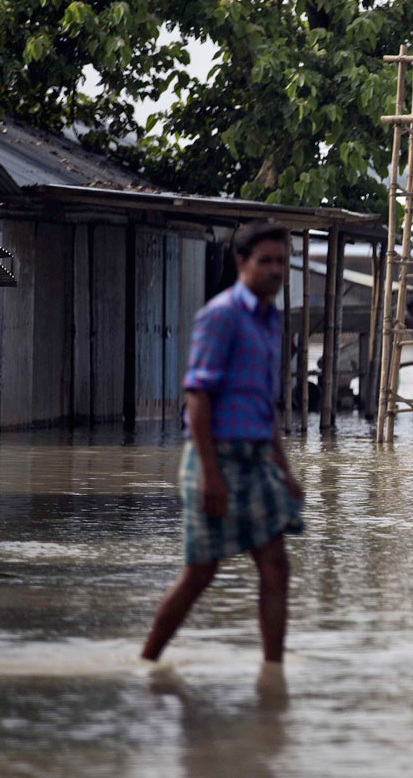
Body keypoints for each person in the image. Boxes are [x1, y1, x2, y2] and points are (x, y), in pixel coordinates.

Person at [141, 220, 305, 666]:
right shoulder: (221, 315)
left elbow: (264, 406)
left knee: (275, 566)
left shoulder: (272, 322)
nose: (275, 270)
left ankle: (274, 673)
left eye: (281, 261)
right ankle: (147, 662)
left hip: (255, 459)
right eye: (265, 261)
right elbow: (197, 397)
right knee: (200, 573)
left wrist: (286, 472)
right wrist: (211, 475)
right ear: (241, 264)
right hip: (215, 457)